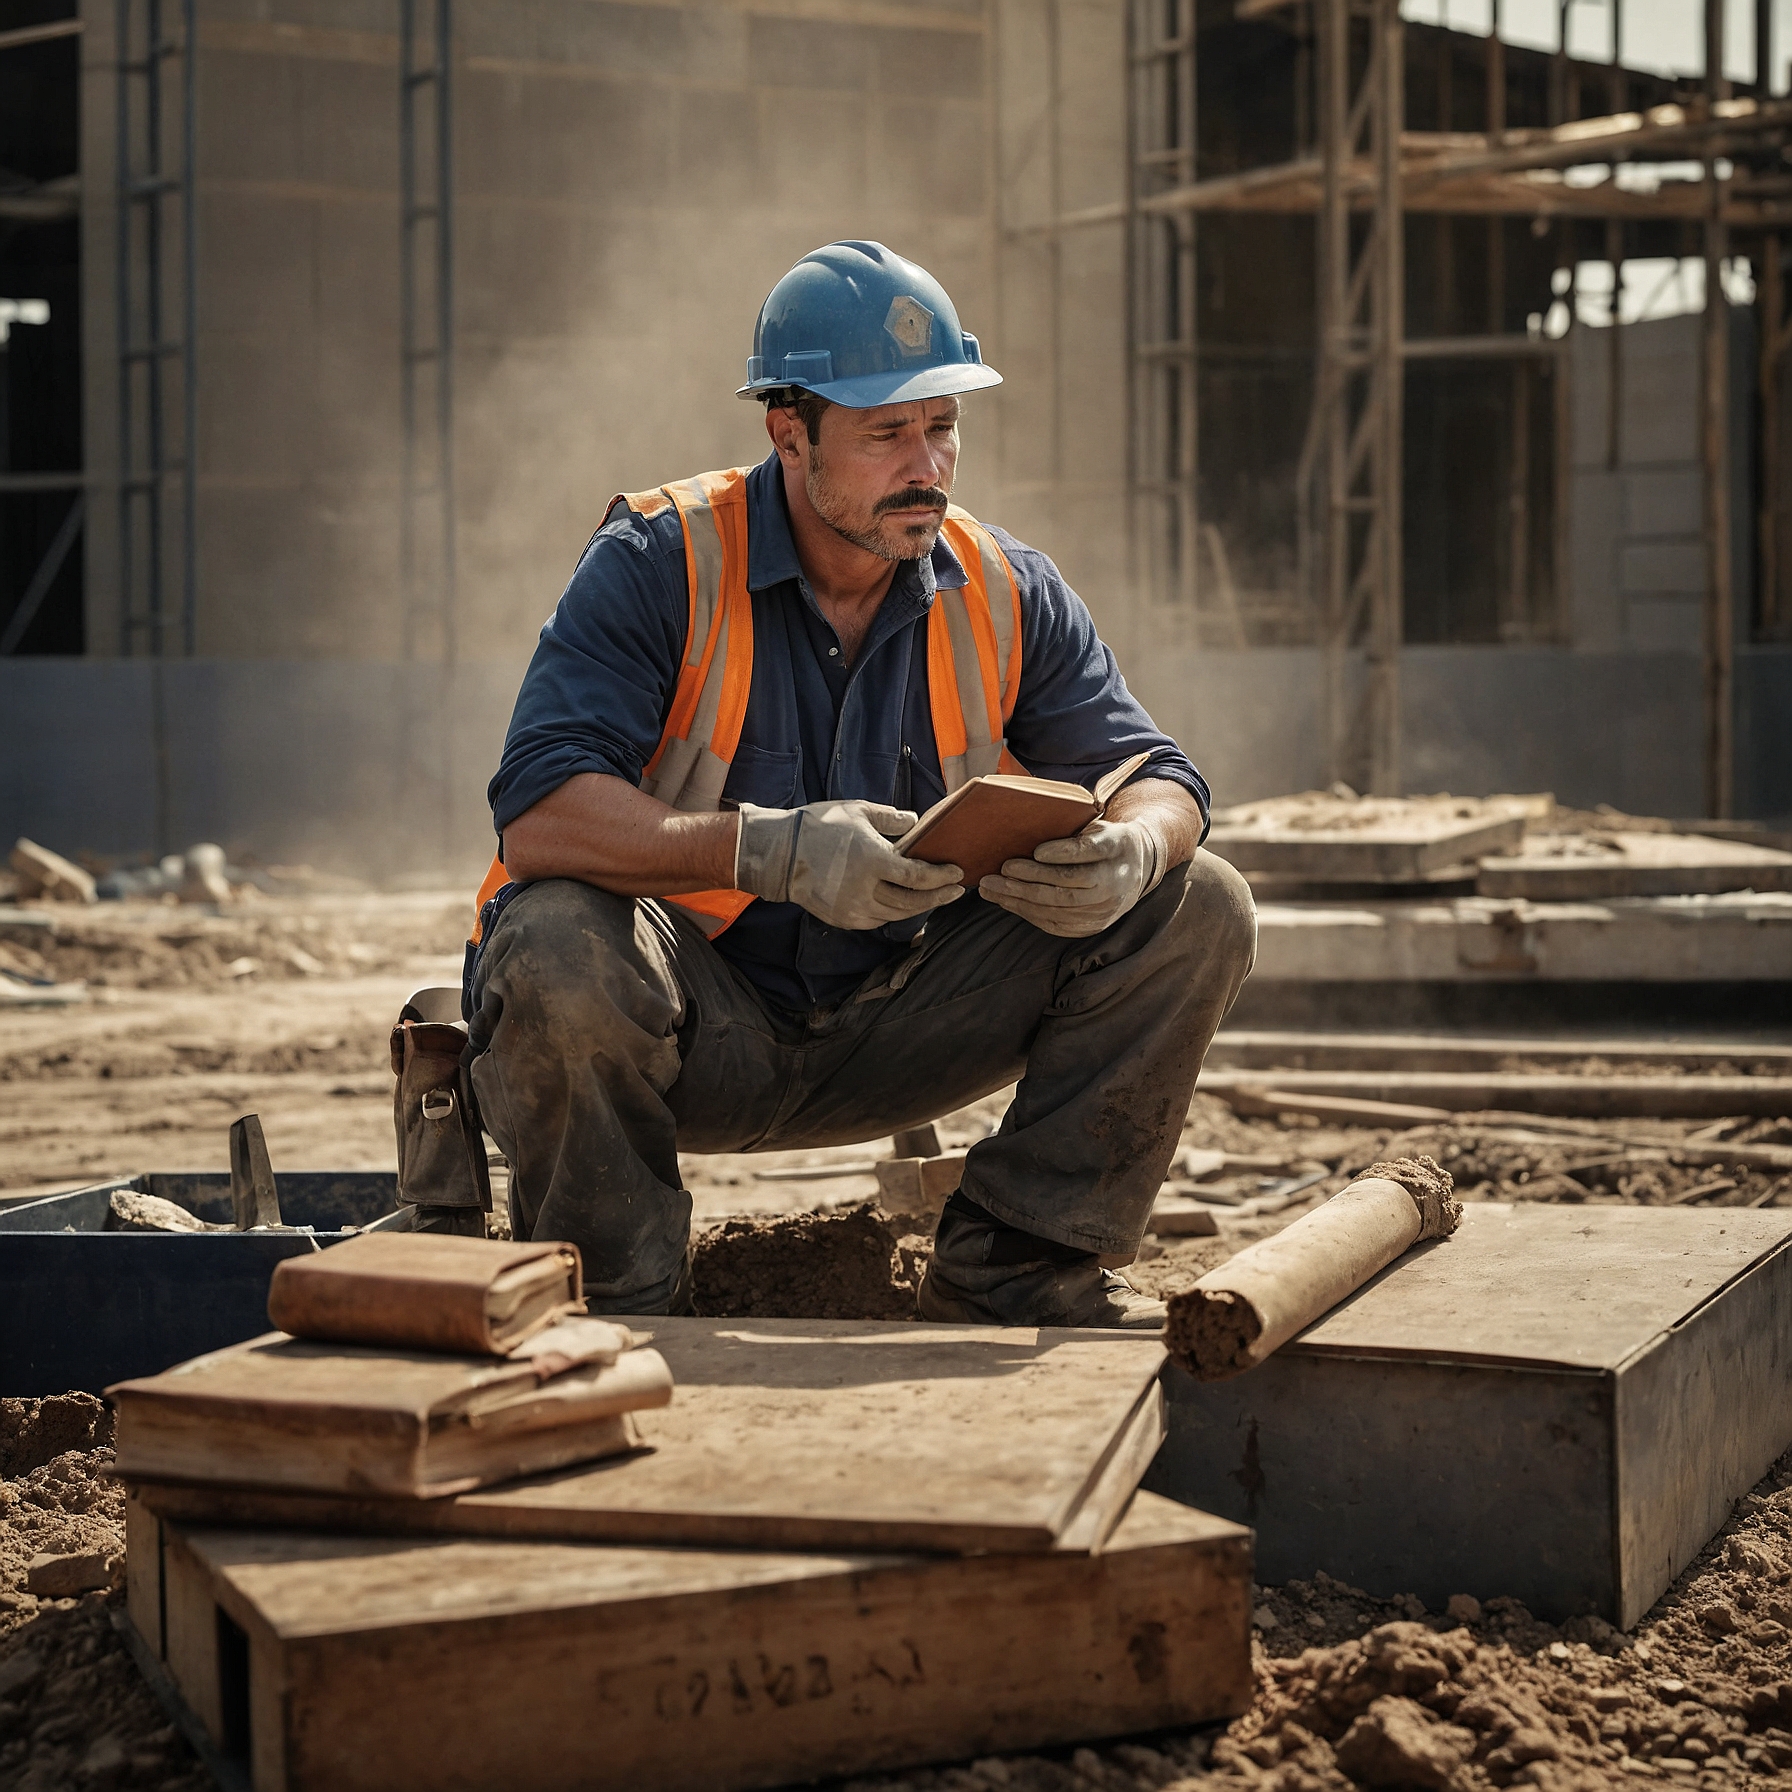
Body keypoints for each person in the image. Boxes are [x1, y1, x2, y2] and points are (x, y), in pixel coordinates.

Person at [449, 240, 1256, 1326]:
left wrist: (1136, 848)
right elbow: (539, 812)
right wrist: (765, 851)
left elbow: (1164, 777)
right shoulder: (657, 562)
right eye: (886, 433)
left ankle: (1013, 1273)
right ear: (790, 432)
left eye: (942, 425)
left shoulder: (1006, 586)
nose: (925, 462)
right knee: (552, 942)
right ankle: (622, 1304)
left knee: (1199, 900)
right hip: (690, 1033)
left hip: (903, 1023)